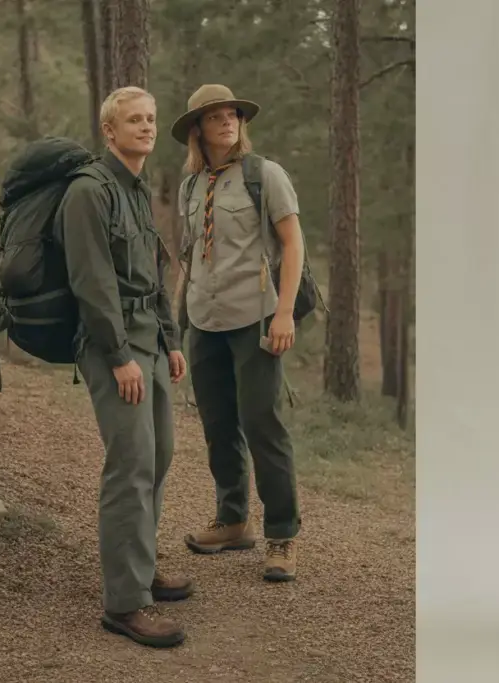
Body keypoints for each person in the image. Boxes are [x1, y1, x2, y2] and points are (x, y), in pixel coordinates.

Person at [56, 85, 193, 648]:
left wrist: (172, 338)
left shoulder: (135, 190)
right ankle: (124, 603)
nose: (146, 126)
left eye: (151, 119)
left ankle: (141, 565)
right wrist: (119, 358)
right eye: (133, 120)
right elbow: (92, 282)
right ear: (109, 131)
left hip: (151, 341)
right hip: (115, 345)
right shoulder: (90, 192)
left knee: (159, 455)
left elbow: (153, 272)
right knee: (130, 464)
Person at [171, 83, 304, 582]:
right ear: (197, 130)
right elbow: (187, 258)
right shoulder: (190, 187)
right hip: (204, 320)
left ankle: (282, 535)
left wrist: (284, 312)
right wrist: (176, 325)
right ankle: (231, 520)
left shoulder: (264, 176)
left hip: (255, 319)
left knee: (261, 423)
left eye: (232, 114)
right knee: (218, 424)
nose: (227, 121)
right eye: (215, 117)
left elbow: (293, 245)